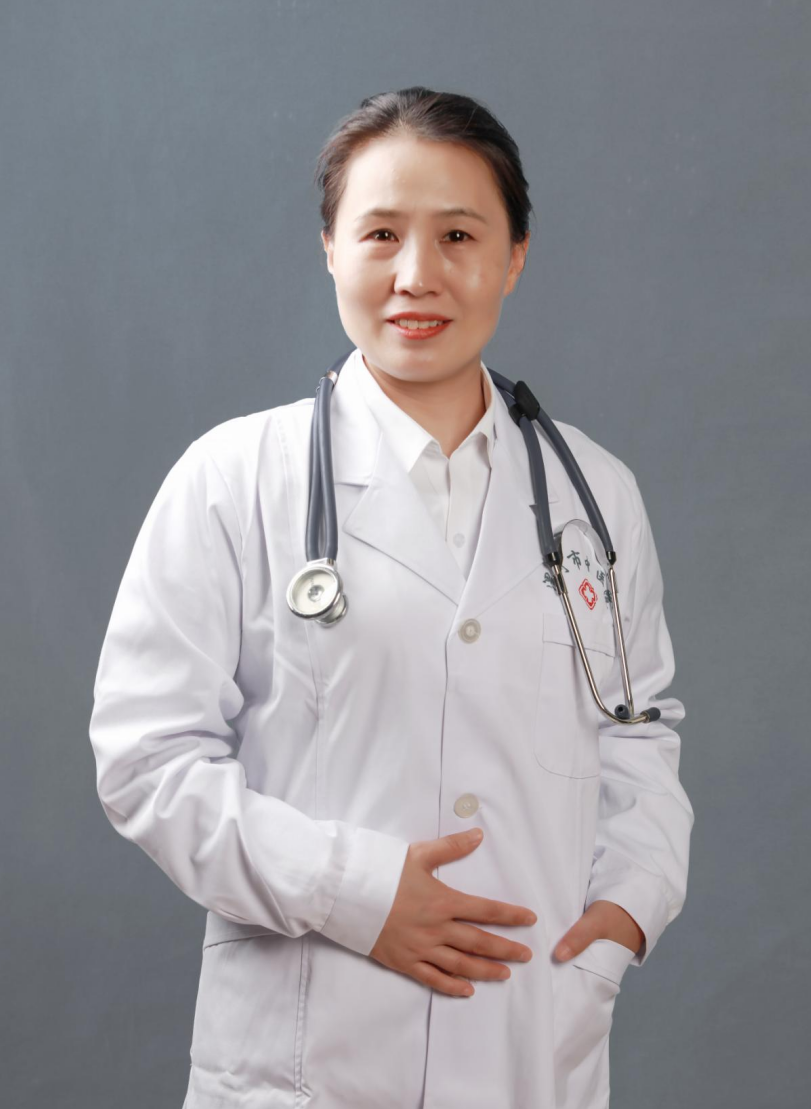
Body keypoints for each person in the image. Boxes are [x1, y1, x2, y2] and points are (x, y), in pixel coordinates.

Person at [89, 86, 694, 1109]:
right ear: (329, 247)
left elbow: (638, 732)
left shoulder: (594, 495)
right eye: (379, 233)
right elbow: (147, 758)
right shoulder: (234, 478)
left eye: (458, 234)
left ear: (514, 255)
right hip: (306, 1056)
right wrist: (355, 893)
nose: (417, 274)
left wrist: (630, 907)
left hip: (528, 1043)